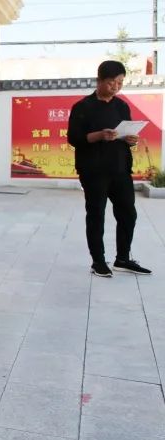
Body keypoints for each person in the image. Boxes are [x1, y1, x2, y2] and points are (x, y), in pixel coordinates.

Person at [67, 59, 153, 277]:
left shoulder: (121, 106)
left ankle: (123, 258)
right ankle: (98, 261)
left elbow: (126, 133)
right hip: (93, 171)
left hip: (120, 168)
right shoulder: (82, 107)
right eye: (111, 82)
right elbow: (74, 138)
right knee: (96, 215)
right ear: (99, 81)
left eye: (120, 82)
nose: (116, 86)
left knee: (128, 214)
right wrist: (100, 135)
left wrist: (130, 139)